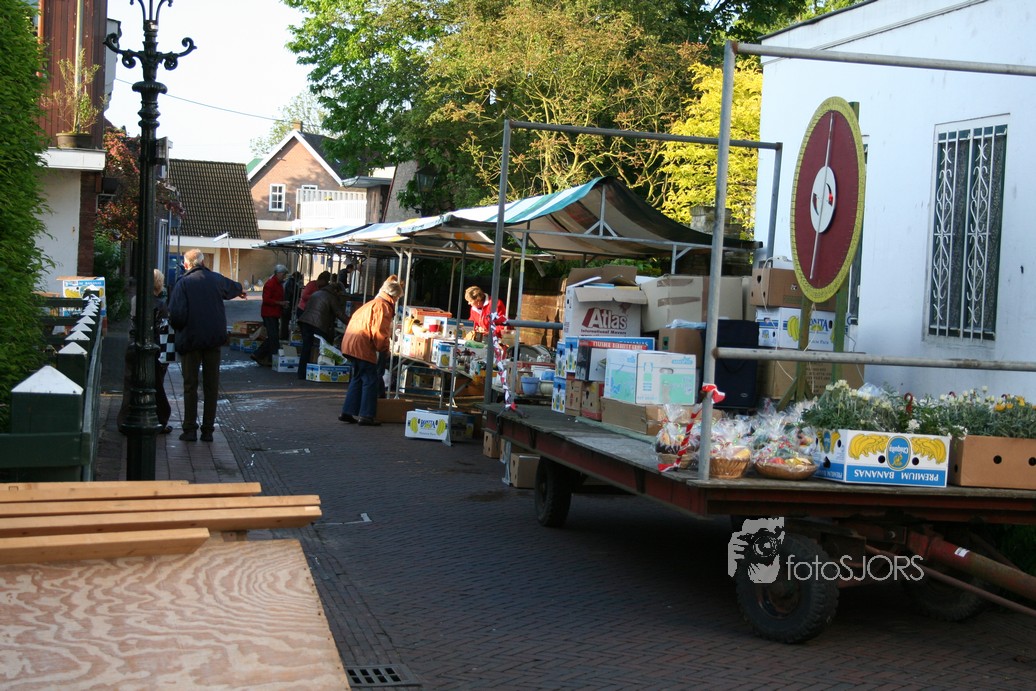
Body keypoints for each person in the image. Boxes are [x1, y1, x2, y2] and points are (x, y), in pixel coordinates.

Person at [168, 248, 247, 442]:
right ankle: (208, 430)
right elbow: (233, 287)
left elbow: (176, 315)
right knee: (211, 386)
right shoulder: (216, 279)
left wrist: (180, 329)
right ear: (203, 262)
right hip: (213, 339)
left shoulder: (183, 283)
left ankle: (189, 429)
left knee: (190, 385)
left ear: (186, 264)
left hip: (191, 340)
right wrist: (240, 291)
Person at [338, 274, 403, 426]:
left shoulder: (372, 303)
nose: (397, 301)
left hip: (351, 343)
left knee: (358, 378)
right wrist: (384, 349)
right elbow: (379, 332)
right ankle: (366, 415)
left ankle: (347, 411)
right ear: (394, 296)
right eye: (398, 298)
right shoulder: (383, 306)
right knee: (370, 379)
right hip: (362, 345)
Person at [118, 268, 172, 435]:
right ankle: (159, 419)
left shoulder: (136, 300)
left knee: (130, 385)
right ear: (159, 284)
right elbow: (164, 332)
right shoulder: (160, 305)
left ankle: (124, 419)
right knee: (155, 387)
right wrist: (166, 358)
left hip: (133, 346)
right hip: (153, 350)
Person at [297, 281, 349, 380]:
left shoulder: (317, 293)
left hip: (305, 321)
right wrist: (352, 323)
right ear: (336, 290)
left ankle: (302, 373)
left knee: (306, 348)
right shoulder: (331, 297)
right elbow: (340, 314)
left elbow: (306, 307)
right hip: (318, 324)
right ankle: (322, 372)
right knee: (325, 348)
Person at [251, 264, 289, 367]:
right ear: (278, 273)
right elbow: (266, 300)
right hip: (269, 313)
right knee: (273, 336)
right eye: (283, 274)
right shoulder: (271, 284)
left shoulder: (277, 283)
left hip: (274, 313)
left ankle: (261, 355)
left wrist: (281, 304)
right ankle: (265, 356)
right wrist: (280, 303)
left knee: (274, 336)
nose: (284, 277)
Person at [280, 270, 302, 340]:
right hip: (288, 304)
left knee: (284, 322)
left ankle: (284, 336)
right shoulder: (292, 283)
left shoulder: (288, 282)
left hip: (286, 304)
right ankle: (284, 336)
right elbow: (292, 293)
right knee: (285, 322)